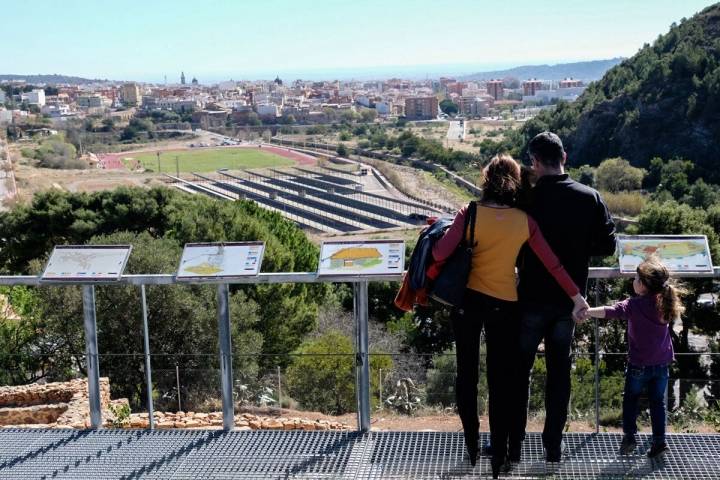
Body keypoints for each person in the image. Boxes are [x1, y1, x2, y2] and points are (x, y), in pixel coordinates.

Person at [432, 154, 588, 478]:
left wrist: (436, 229)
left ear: (486, 179)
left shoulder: (469, 213)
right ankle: (500, 456)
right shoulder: (524, 221)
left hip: (468, 303)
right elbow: (552, 264)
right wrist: (577, 298)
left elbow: (439, 254)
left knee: (467, 375)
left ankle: (472, 447)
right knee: (500, 381)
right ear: (515, 182)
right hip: (505, 305)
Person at [512, 132, 616, 463]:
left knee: (519, 372)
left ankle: (514, 444)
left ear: (534, 162)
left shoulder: (525, 199)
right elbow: (608, 246)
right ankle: (553, 447)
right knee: (560, 374)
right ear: (565, 157)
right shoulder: (590, 197)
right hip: (570, 303)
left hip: (529, 298)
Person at [577, 257, 684, 459]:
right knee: (658, 403)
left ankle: (629, 438)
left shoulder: (634, 305)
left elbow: (611, 311)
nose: (633, 281)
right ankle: (659, 442)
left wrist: (588, 312)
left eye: (636, 278)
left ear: (642, 284)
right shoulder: (666, 303)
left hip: (639, 365)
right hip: (661, 364)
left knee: (631, 399)